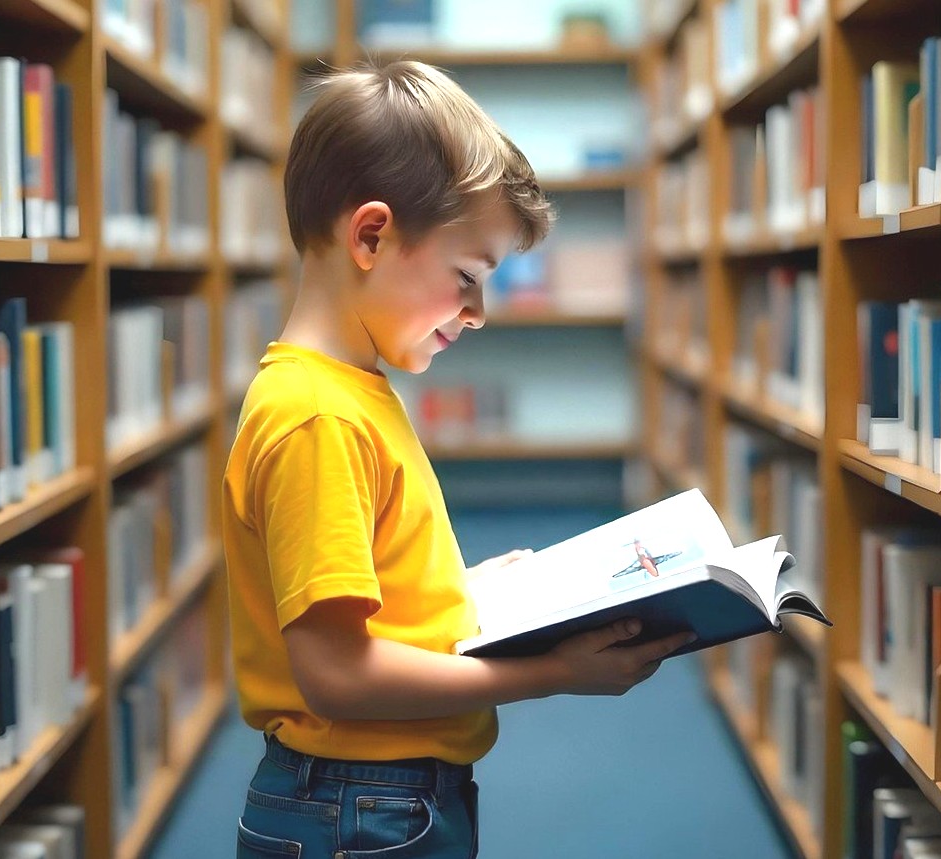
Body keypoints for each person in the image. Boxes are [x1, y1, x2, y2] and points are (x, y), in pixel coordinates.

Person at [222, 60, 694, 859]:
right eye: (467, 277)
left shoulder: (349, 391)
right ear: (371, 235)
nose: (478, 313)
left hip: (381, 797)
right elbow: (336, 675)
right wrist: (548, 673)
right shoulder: (318, 418)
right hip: (358, 805)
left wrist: (466, 592)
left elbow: (353, 599)